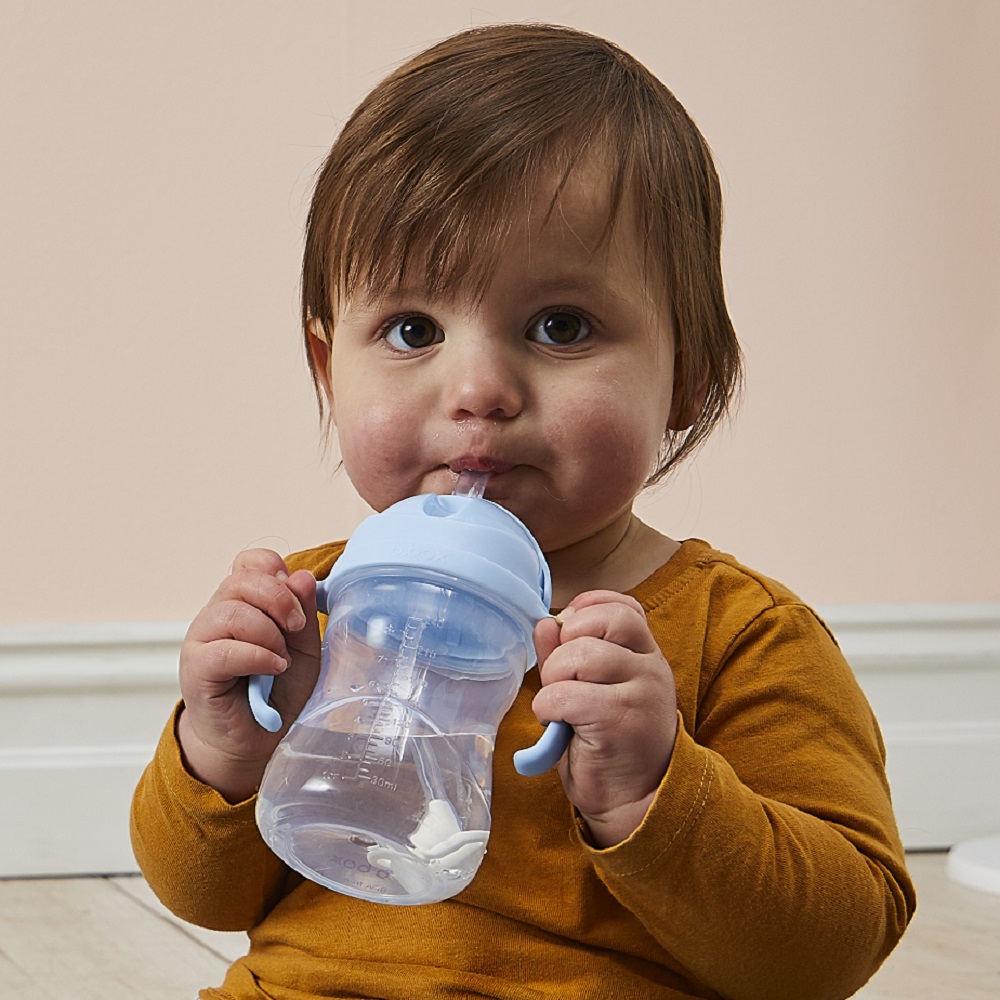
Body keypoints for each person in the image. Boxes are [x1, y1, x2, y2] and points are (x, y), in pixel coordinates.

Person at [131, 22, 915, 1000]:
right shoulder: (309, 610)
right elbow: (198, 890)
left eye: (560, 326)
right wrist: (223, 750)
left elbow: (828, 952)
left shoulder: (738, 634)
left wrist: (654, 789)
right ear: (328, 368)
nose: (479, 387)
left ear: (688, 378)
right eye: (412, 329)